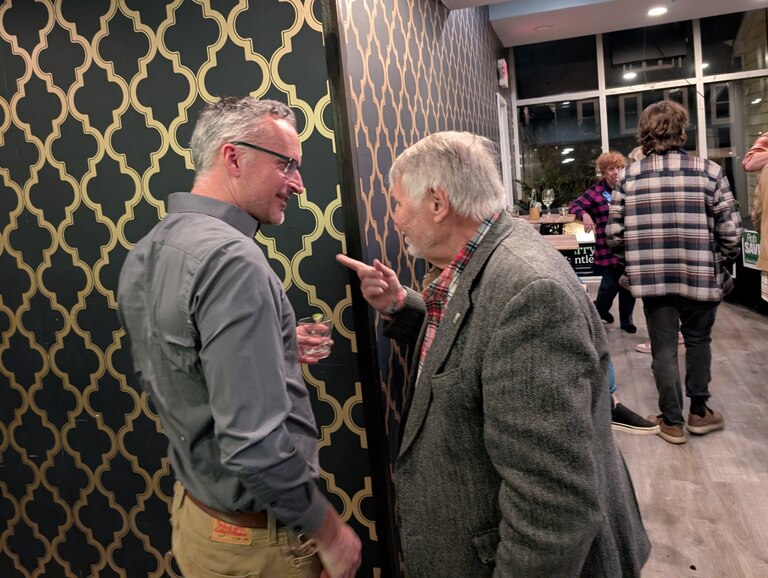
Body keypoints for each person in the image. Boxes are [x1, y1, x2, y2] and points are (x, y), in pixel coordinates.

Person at [337, 131, 650, 577]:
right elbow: (475, 342)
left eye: (398, 203)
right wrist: (400, 305)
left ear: (438, 204)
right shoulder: (491, 258)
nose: (396, 219)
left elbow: (552, 508)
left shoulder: (528, 292)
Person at [117, 97, 361, 578]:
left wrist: (275, 346)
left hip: (197, 518)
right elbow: (253, 444)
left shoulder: (150, 248)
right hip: (257, 544)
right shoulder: (232, 261)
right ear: (233, 157)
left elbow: (186, 366)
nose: (298, 183)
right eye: (286, 164)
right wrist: (330, 531)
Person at [606, 100, 743, 445]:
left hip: (652, 282)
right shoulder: (709, 171)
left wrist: (639, 260)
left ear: (645, 133)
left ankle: (672, 422)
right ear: (682, 130)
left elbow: (614, 236)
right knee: (698, 341)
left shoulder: (628, 177)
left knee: (663, 349)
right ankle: (699, 413)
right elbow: (730, 234)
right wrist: (716, 260)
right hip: (701, 275)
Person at [569, 152, 637, 332]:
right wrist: (584, 214)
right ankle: (599, 310)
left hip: (630, 246)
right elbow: (574, 205)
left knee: (628, 287)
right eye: (611, 168)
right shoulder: (597, 191)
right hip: (607, 249)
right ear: (603, 172)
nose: (616, 172)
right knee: (609, 286)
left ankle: (627, 321)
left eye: (620, 167)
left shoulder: (630, 188)